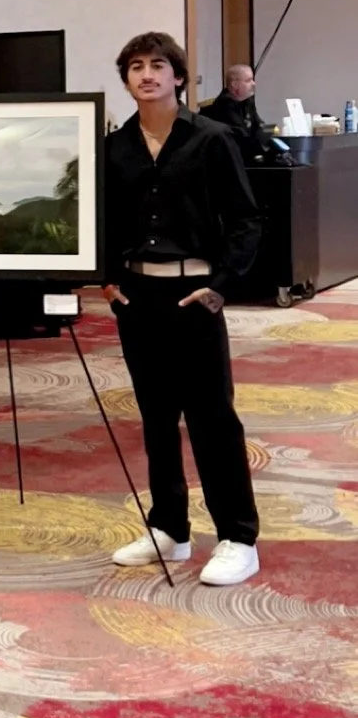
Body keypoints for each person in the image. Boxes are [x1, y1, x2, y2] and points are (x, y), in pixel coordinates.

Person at [103, 31, 262, 586]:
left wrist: (221, 284)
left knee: (212, 419)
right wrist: (105, 280)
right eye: (136, 67)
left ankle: (238, 537)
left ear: (178, 76)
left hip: (194, 294)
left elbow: (246, 220)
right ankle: (169, 528)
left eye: (158, 65)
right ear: (126, 79)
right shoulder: (115, 147)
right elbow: (104, 223)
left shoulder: (212, 139)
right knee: (154, 417)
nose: (146, 75)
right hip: (137, 298)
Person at [201, 64, 273, 164]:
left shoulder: (247, 102)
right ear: (235, 84)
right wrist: (261, 138)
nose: (253, 84)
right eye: (248, 81)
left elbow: (259, 125)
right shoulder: (224, 105)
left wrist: (265, 133)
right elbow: (241, 137)